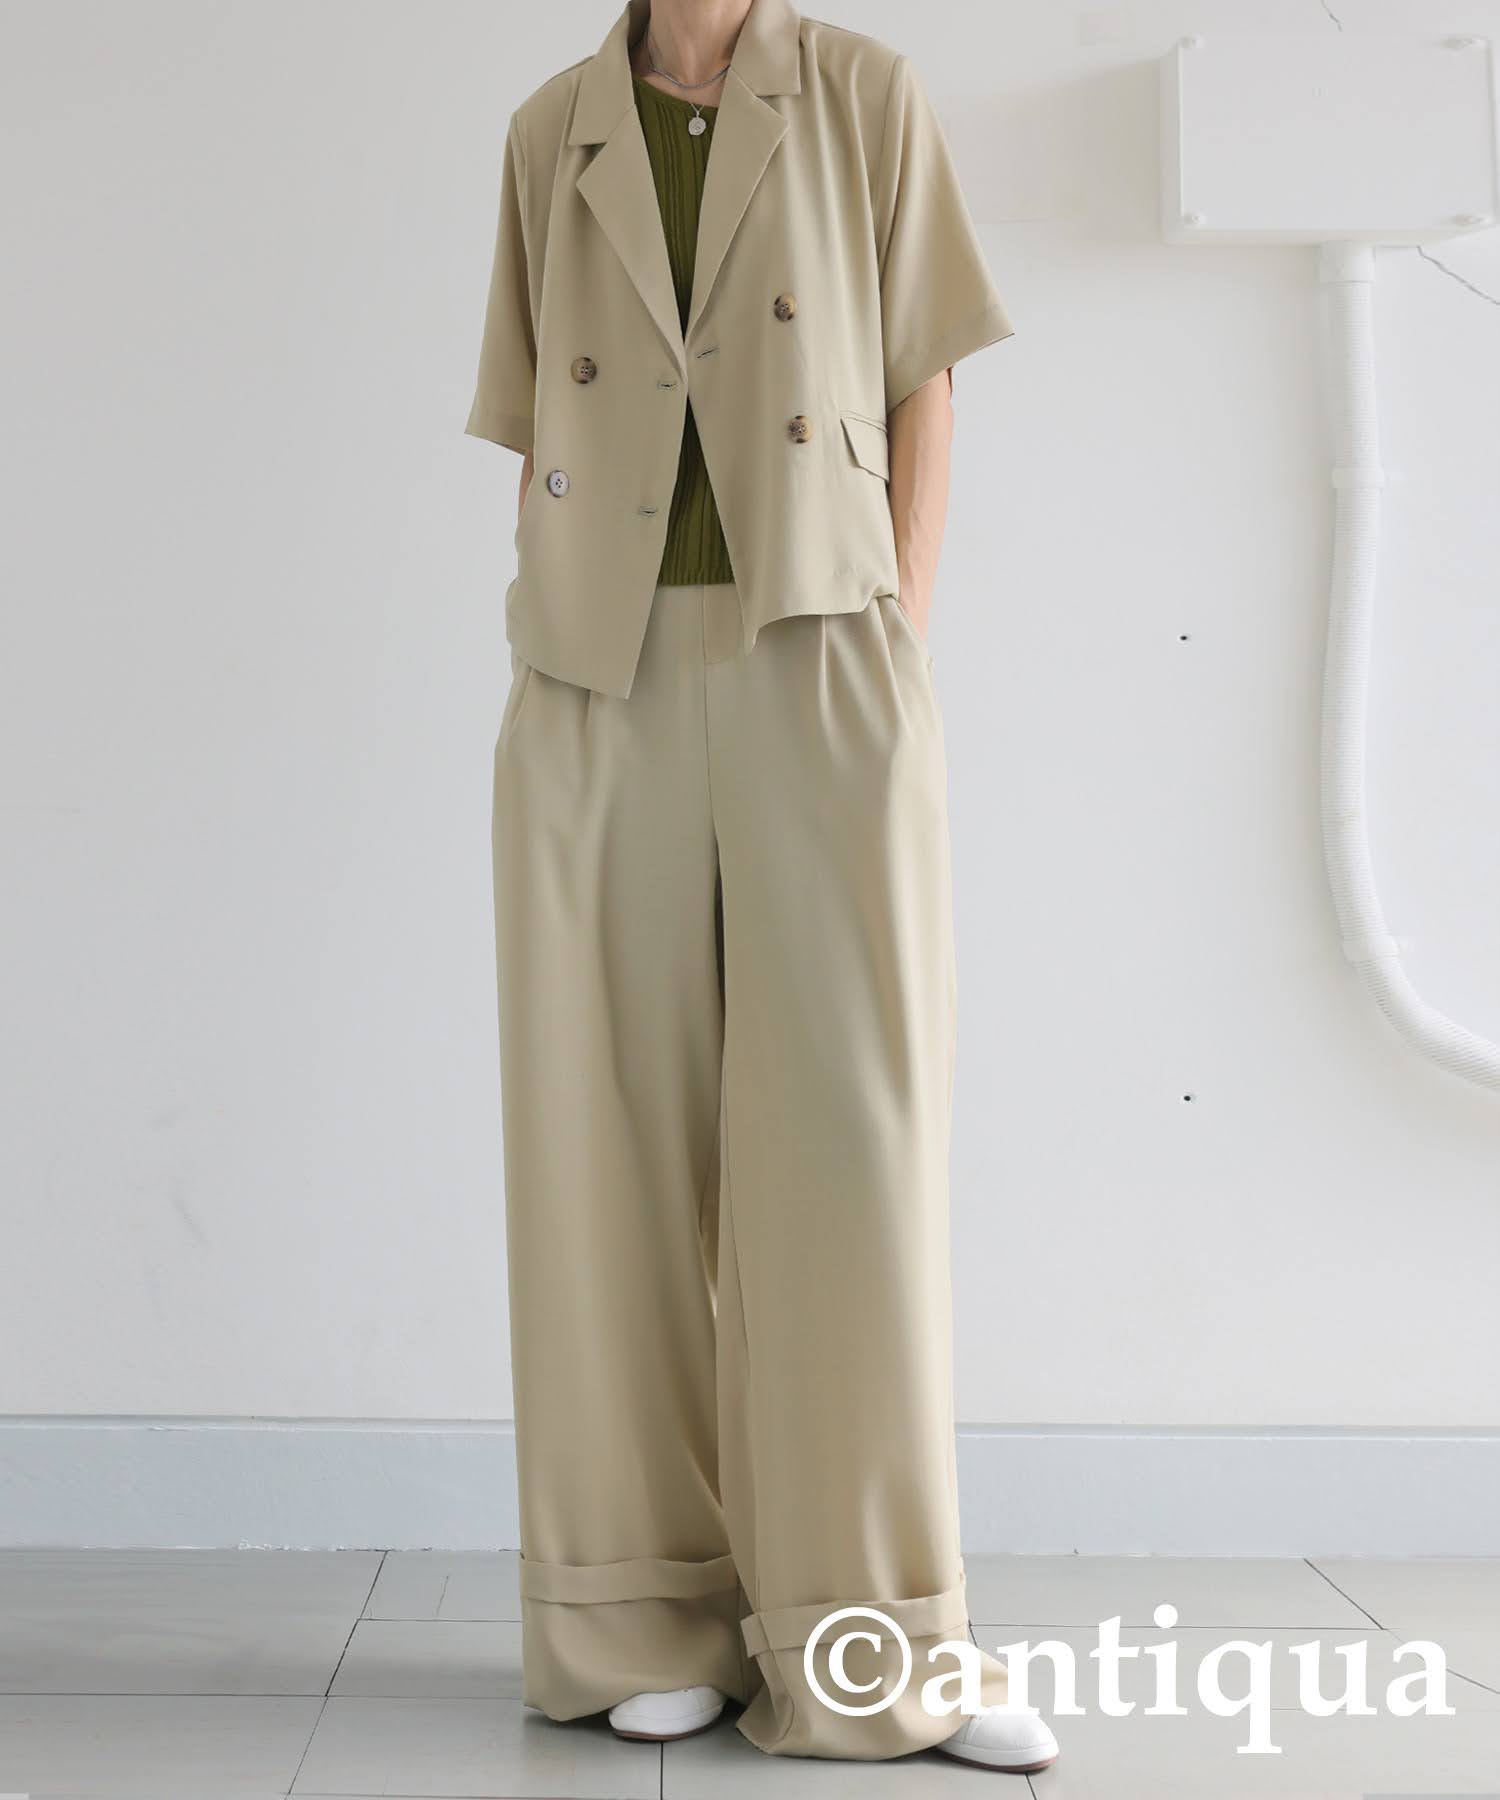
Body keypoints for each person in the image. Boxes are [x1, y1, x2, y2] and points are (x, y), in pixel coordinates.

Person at [465, 0, 1058, 1771]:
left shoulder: (863, 93)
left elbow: (923, 373)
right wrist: (553, 634)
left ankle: (874, 1644)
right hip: (598, 673)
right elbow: (537, 421)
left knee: (851, 1146)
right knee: (598, 1142)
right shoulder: (553, 127)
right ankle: (634, 1612)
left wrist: (897, 630)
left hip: (824, 641)